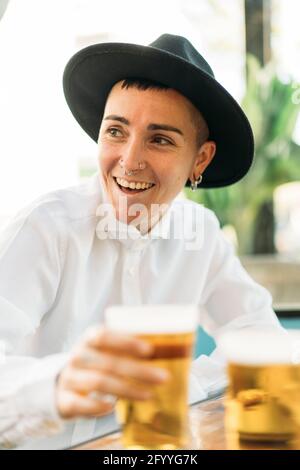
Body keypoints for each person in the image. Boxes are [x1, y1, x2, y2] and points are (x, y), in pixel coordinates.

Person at [0, 34, 281, 449]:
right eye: (116, 131)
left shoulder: (199, 231)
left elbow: (261, 337)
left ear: (199, 160)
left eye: (160, 139)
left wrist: (181, 385)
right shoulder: (45, 228)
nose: (129, 160)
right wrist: (59, 384)